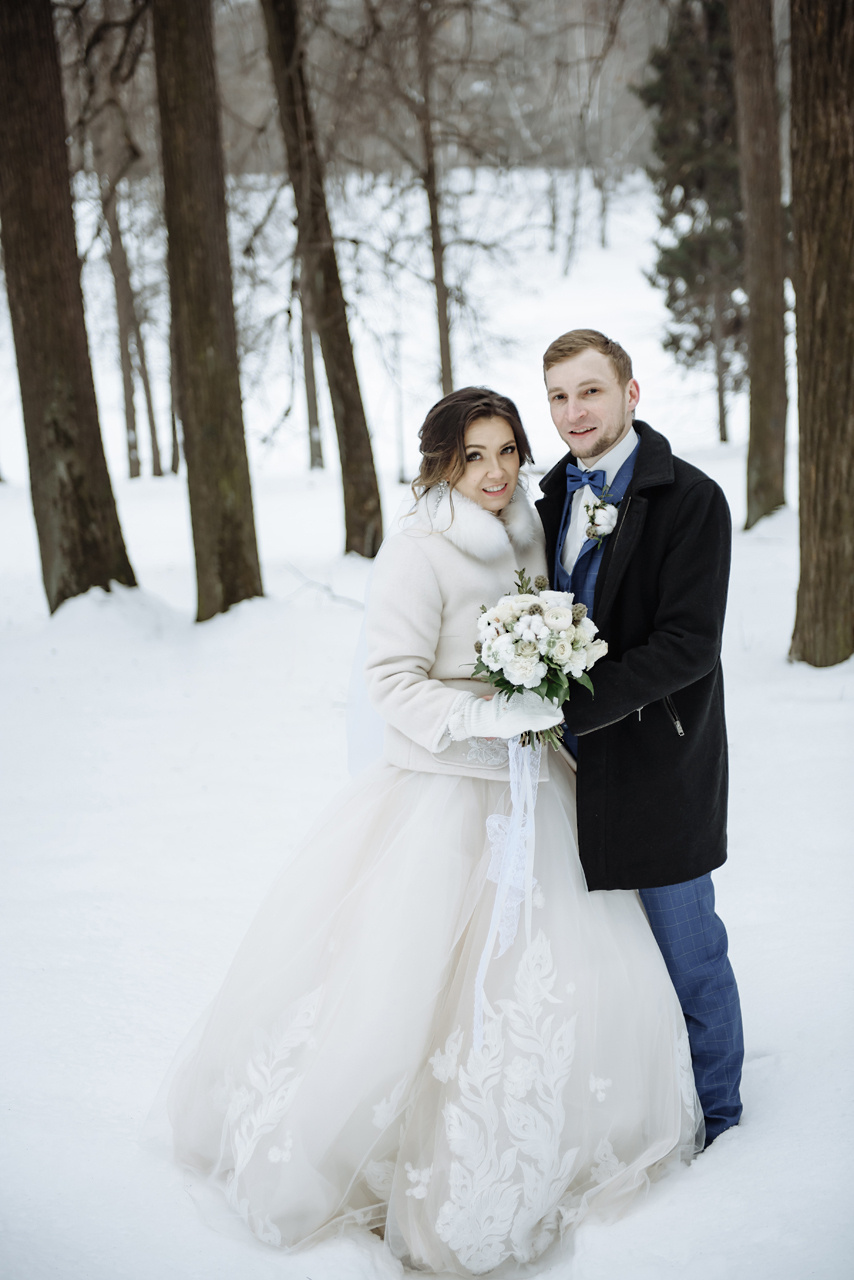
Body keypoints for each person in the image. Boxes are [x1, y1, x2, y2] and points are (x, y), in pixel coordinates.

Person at [164, 387, 702, 1277]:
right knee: (409, 981)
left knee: (558, 978)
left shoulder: (535, 526)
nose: (493, 473)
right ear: (441, 465)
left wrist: (553, 685)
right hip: (445, 796)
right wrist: (491, 717)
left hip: (539, 789)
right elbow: (392, 680)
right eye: (472, 457)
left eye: (505, 452)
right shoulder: (418, 552)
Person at [535, 328, 744, 1147]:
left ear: (631, 393)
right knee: (602, 955)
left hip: (660, 758)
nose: (573, 411)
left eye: (590, 391)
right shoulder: (548, 498)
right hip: (566, 767)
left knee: (688, 949)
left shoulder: (690, 499)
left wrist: (571, 706)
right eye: (557, 395)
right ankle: (635, 1109)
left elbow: (689, 644)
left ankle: (722, 1117)